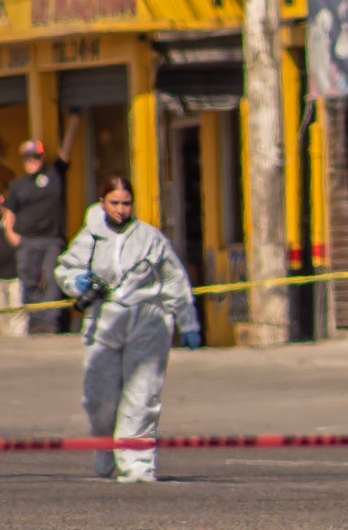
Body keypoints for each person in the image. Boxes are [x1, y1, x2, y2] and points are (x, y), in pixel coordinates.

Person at [55, 176, 203, 483]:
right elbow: (65, 268)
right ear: (102, 202)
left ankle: (138, 464)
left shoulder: (150, 238)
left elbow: (174, 279)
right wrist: (76, 283)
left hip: (148, 321)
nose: (121, 209)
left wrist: (188, 322)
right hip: (105, 322)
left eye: (126, 203)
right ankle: (105, 450)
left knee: (142, 394)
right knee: (99, 399)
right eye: (114, 203)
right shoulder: (91, 237)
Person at [7, 111, 80, 333]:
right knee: (28, 281)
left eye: (36, 157)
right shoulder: (19, 184)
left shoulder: (55, 174)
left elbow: (66, 152)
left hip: (51, 239)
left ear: (42, 156)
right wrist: (11, 234)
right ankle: (35, 321)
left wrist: (74, 123)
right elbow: (10, 210)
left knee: (52, 278)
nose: (32, 161)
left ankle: (50, 321)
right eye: (28, 158)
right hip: (27, 239)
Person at [0, 188, 26, 337]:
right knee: (2, 316)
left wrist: (9, 228)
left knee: (18, 313)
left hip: (17, 275)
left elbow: (19, 242)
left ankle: (20, 345)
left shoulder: (14, 218)